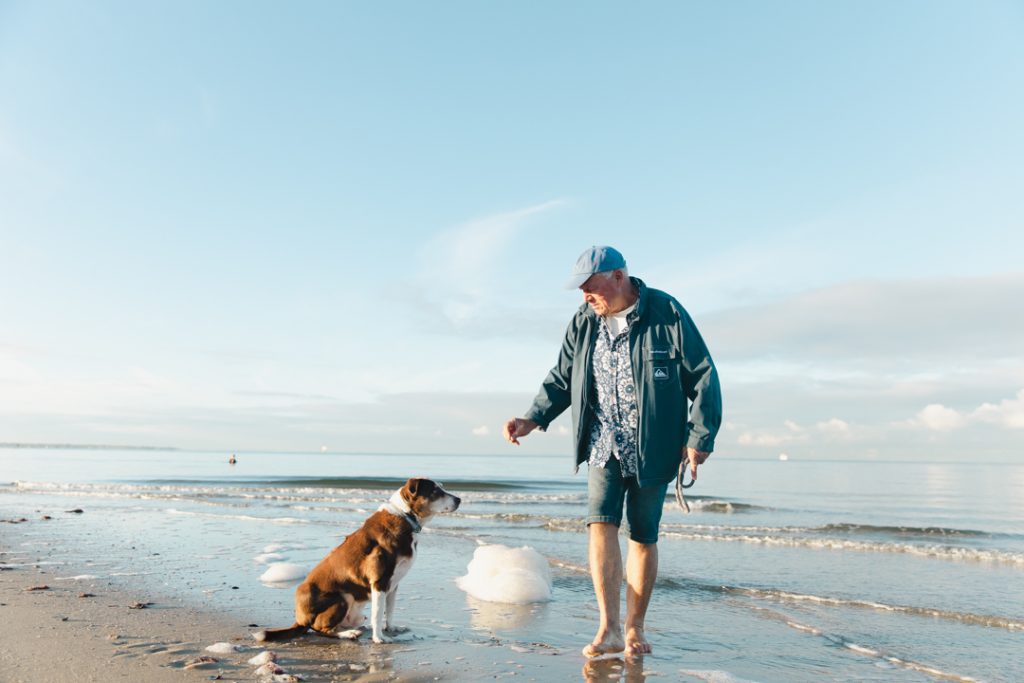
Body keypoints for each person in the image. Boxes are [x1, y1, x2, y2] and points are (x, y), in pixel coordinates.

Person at [503, 245, 722, 659]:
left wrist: (700, 436)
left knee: (642, 535)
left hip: (653, 446)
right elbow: (562, 376)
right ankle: (608, 629)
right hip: (603, 443)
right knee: (600, 525)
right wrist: (532, 419)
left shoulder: (667, 312)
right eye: (581, 289)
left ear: (619, 277)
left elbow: (704, 374)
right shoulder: (584, 320)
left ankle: (635, 628)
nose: (586, 296)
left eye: (591, 287)